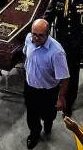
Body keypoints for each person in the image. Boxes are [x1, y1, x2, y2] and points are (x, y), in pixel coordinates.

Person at [22, 19, 69, 149]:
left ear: (48, 34)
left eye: (40, 35)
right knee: (31, 114)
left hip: (48, 92)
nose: (36, 38)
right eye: (34, 34)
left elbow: (64, 78)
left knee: (48, 114)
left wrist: (61, 98)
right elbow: (26, 53)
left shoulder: (56, 52)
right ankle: (34, 133)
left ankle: (48, 123)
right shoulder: (28, 39)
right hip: (30, 87)